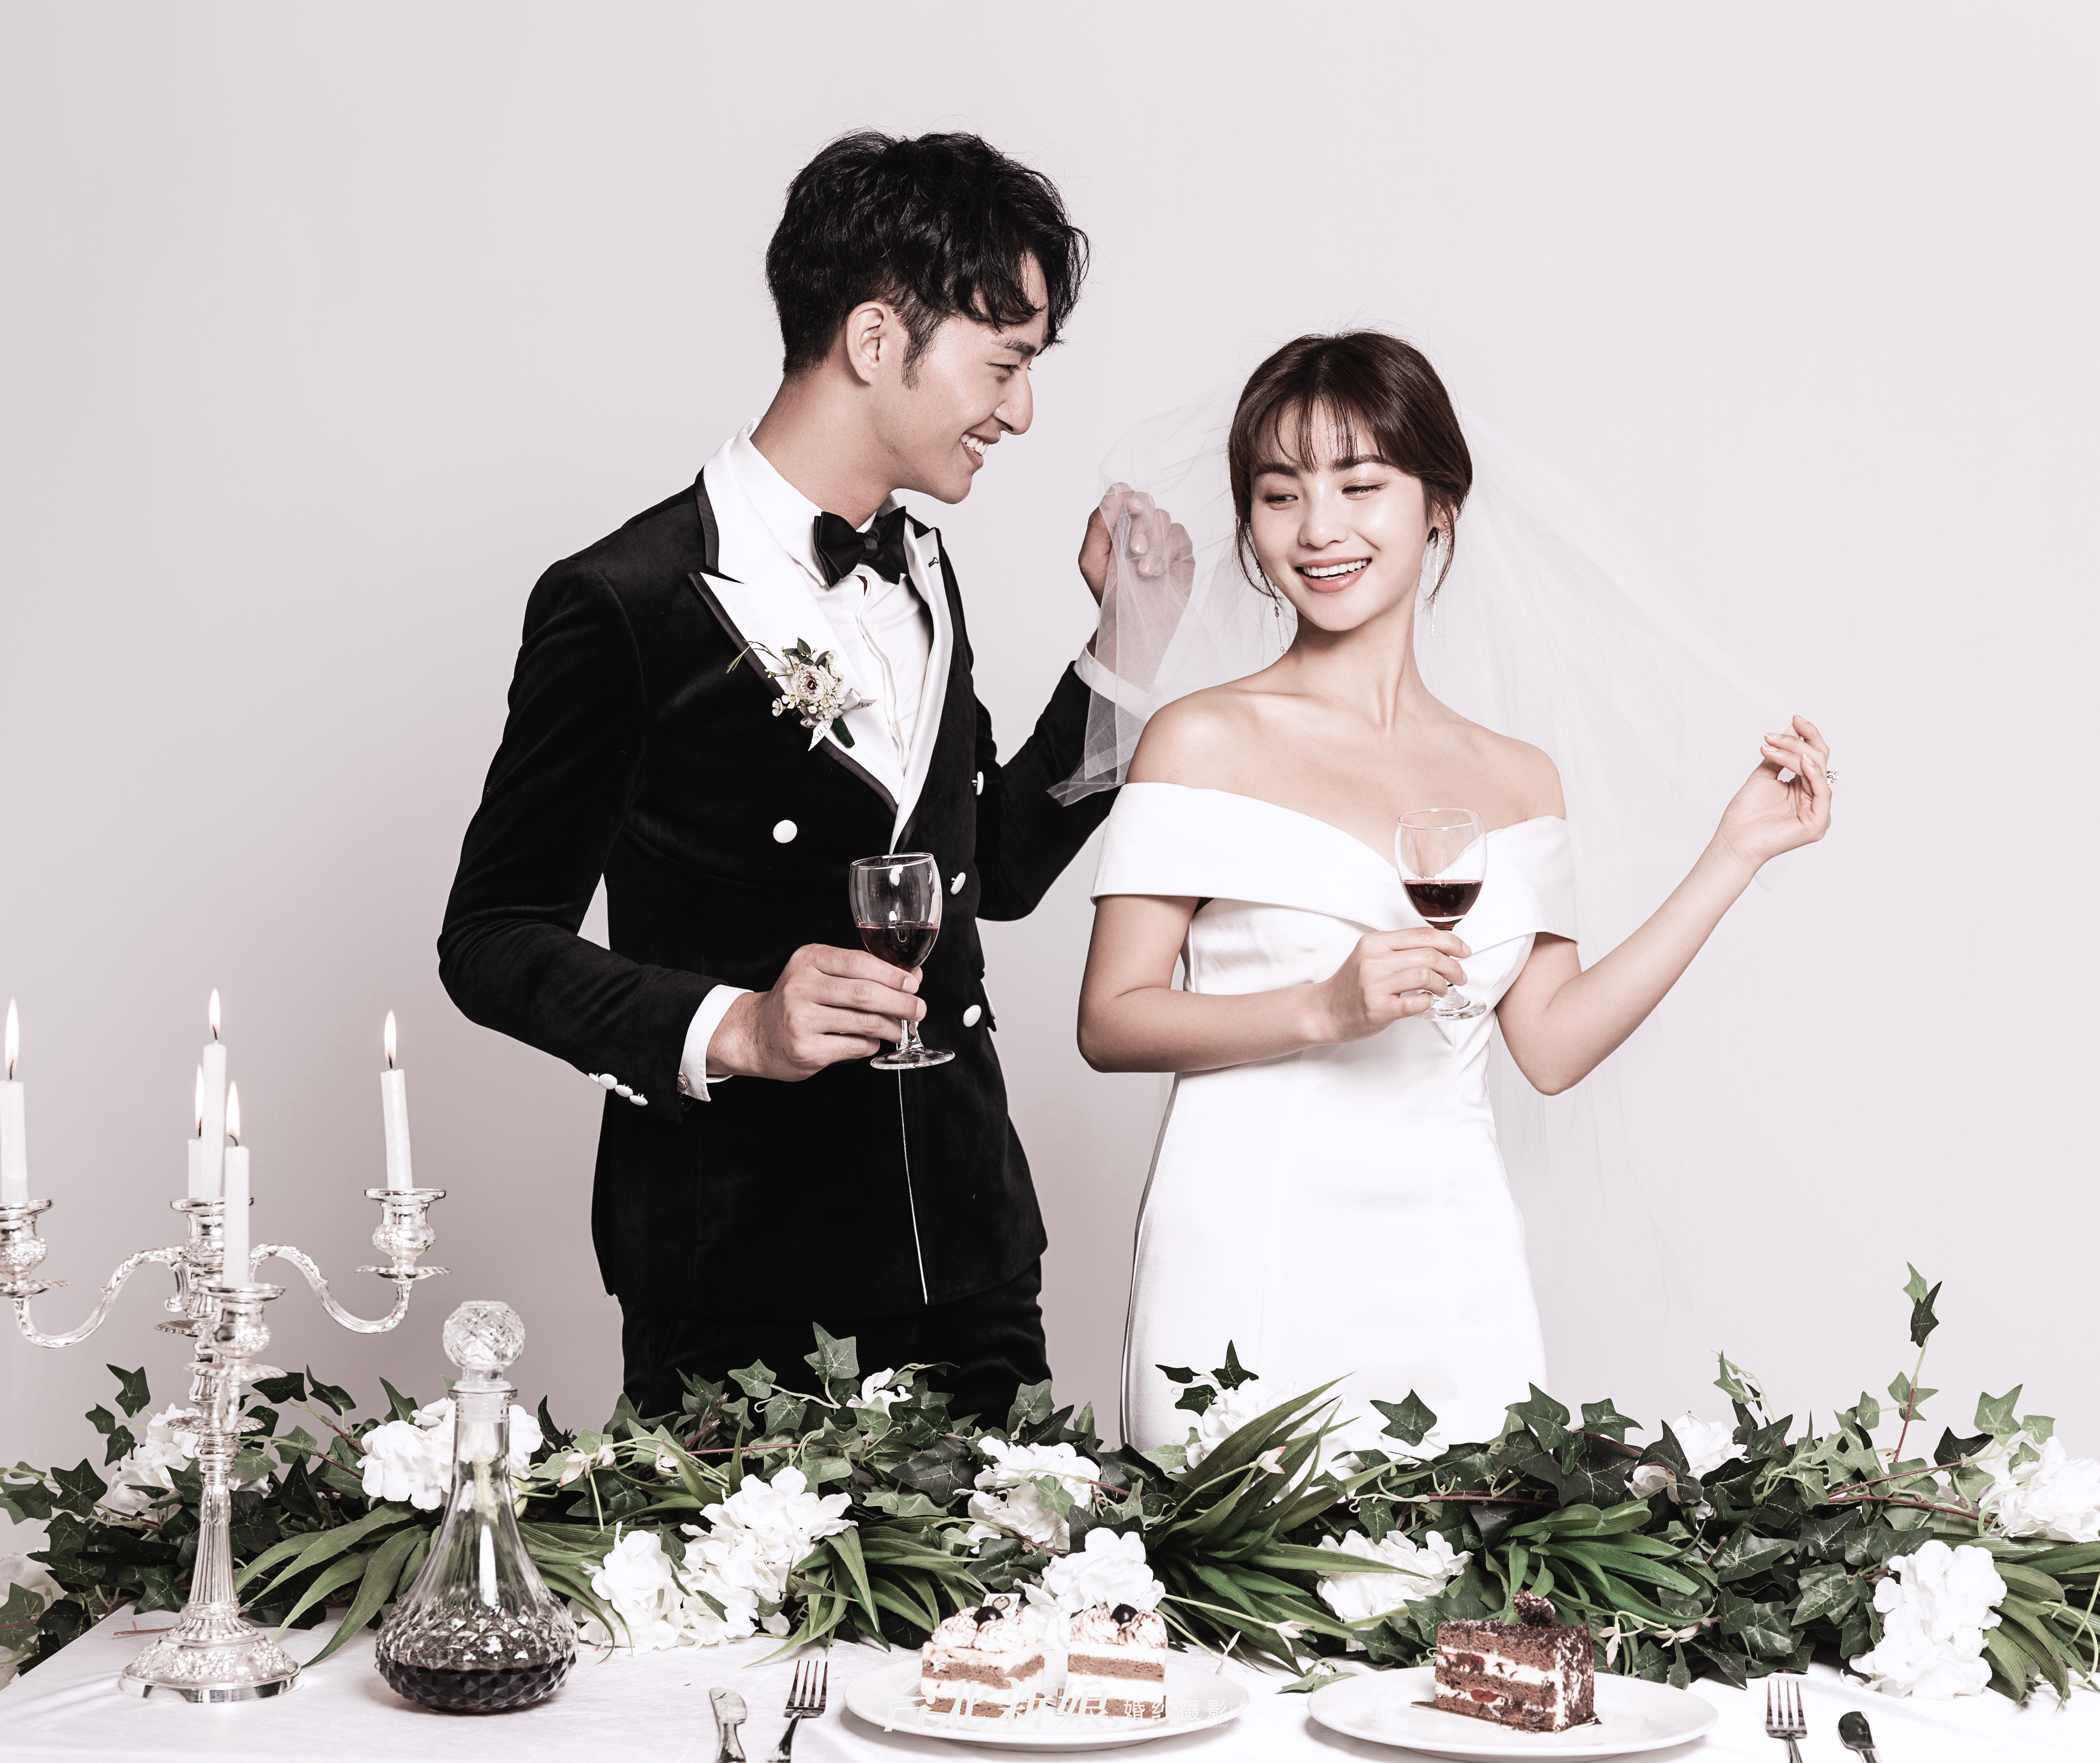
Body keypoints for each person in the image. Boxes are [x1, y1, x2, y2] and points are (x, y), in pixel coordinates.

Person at [437, 131, 1150, 1424]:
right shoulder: (622, 601)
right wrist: (737, 1027)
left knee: (1022, 1571)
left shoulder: (924, 567)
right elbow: (489, 940)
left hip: (973, 1254)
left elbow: (992, 869)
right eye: (1004, 364)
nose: (1021, 412)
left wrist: (1125, 655)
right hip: (741, 1283)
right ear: (876, 340)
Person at [1074, 331, 1833, 1454]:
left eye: (1360, 485)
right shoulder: (1201, 739)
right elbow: (1109, 1022)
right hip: (1246, 1247)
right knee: (1244, 1555)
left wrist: (1733, 855)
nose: (1318, 529)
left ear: (1439, 505)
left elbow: (1553, 1047)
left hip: (1448, 1252)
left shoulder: (1516, 778)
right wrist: (1321, 1009)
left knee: (1463, 1549)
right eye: (1280, 494)